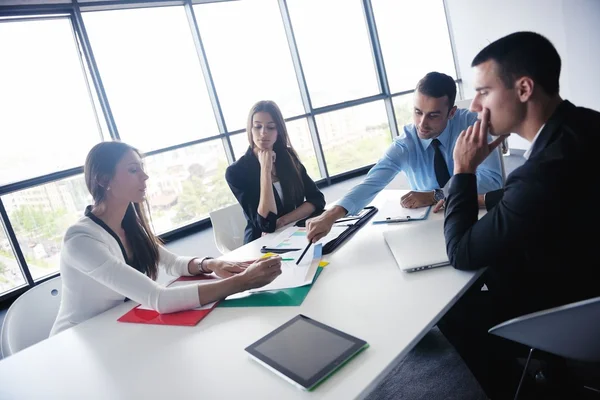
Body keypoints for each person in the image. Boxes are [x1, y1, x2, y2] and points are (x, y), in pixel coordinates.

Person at [440, 31, 600, 398]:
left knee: (455, 307)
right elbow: (555, 197)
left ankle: (525, 387)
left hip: (574, 309)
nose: (476, 107)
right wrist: (488, 200)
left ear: (524, 89)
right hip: (589, 270)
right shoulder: (586, 125)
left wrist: (463, 171)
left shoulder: (540, 172)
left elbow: (461, 252)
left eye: (483, 92)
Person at [51, 141, 282, 336]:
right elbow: (158, 298)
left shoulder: (129, 225)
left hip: (117, 328)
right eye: (133, 170)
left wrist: (211, 264)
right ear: (104, 180)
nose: (145, 176)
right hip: (77, 341)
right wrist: (243, 282)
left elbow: (172, 263)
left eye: (142, 168)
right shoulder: (81, 239)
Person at [306, 72, 503, 242]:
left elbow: (493, 181)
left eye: (433, 115)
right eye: (418, 112)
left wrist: (437, 194)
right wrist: (330, 215)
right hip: (430, 224)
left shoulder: (471, 126)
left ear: (451, 113)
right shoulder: (407, 142)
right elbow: (372, 182)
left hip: (478, 214)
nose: (422, 124)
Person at [226, 100, 325, 244]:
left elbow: (316, 200)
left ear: (278, 130)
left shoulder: (287, 157)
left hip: (293, 232)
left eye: (270, 127)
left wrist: (284, 220)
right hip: (261, 242)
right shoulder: (236, 172)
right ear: (250, 130)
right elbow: (267, 224)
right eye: (257, 126)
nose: (263, 133)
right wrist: (265, 170)